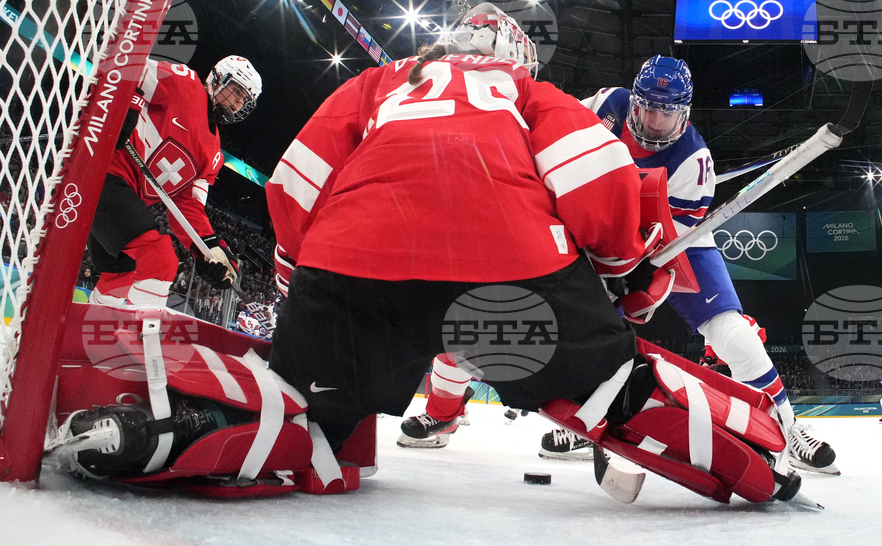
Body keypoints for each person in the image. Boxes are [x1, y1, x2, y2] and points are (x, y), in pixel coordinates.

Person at [56, 5, 807, 506]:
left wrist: (302, 282)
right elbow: (595, 177)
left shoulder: (381, 81)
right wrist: (620, 278)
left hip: (353, 270)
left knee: (311, 409)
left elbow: (295, 180)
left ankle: (157, 435)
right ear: (516, 58)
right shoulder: (527, 93)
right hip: (509, 272)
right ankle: (760, 463)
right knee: (614, 386)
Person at [538, 56, 838, 473]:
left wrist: (630, 271)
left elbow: (667, 241)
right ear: (634, 100)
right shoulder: (607, 103)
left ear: (685, 111)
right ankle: (581, 417)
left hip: (673, 240)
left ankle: (788, 430)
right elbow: (556, 141)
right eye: (647, 108)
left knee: (735, 336)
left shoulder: (694, 164)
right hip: (599, 227)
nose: (655, 121)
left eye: (667, 112)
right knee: (583, 322)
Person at [87, 56, 262, 307]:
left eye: (244, 100)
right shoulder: (185, 83)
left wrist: (208, 247)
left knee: (123, 274)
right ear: (216, 78)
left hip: (122, 201)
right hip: (103, 172)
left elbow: (188, 205)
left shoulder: (214, 154)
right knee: (160, 260)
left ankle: (89, 325)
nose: (236, 103)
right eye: (236, 91)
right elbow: (127, 65)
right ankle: (140, 340)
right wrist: (126, 106)